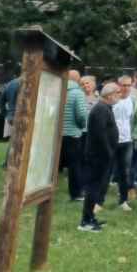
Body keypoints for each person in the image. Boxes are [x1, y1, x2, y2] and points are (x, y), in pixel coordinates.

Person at [79, 83, 121, 232]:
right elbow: (100, 135)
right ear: (109, 95)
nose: (119, 96)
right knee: (93, 188)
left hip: (102, 155)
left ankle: (90, 217)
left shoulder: (105, 108)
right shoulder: (100, 109)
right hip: (98, 156)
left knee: (97, 188)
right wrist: (109, 152)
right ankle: (85, 221)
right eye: (117, 93)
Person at [61, 70, 89, 202]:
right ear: (78, 80)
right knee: (75, 165)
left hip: (57, 134)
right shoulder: (78, 93)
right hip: (73, 134)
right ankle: (76, 193)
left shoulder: (58, 90)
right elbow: (82, 115)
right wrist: (82, 126)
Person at [112, 75, 137, 212]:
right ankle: (97, 201)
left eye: (129, 85)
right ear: (118, 85)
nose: (126, 88)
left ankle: (123, 200)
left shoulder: (133, 101)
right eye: (124, 85)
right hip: (111, 141)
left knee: (125, 172)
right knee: (105, 171)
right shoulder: (111, 100)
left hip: (127, 141)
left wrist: (134, 135)